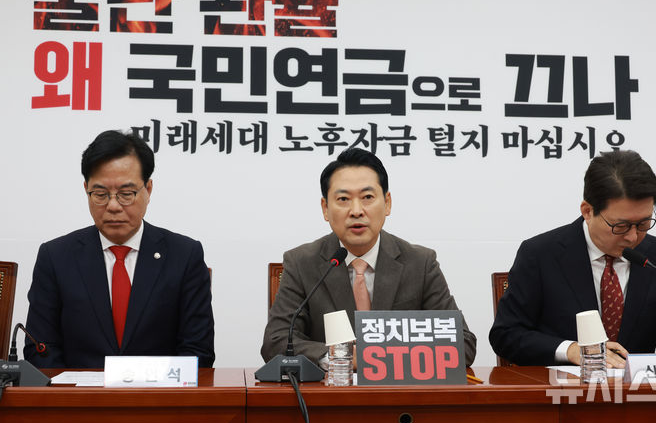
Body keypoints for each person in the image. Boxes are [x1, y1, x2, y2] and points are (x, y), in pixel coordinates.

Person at [489, 150, 656, 367]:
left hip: (637, 393)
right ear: (588, 211)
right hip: (562, 391)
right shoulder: (540, 254)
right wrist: (571, 350)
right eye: (621, 226)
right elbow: (506, 334)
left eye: (643, 223)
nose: (632, 237)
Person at [261, 148, 476, 366]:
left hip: (399, 387)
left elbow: (463, 344)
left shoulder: (420, 263)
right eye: (343, 199)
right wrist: (339, 357)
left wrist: (381, 358)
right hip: (331, 386)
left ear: (387, 203)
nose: (356, 210)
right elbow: (276, 341)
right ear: (325, 208)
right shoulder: (301, 263)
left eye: (367, 197)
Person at [24, 130, 215, 368]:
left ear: (148, 189)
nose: (113, 206)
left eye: (126, 194)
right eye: (100, 194)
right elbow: (41, 349)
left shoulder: (184, 256)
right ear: (86, 189)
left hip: (160, 391)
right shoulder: (55, 257)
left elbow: (198, 351)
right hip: (78, 391)